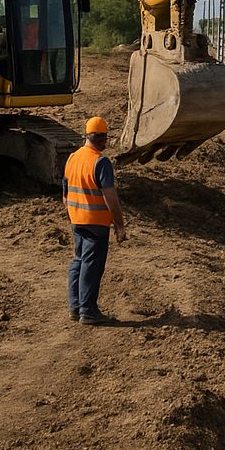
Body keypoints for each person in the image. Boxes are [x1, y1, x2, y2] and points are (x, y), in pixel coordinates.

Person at [64, 116, 127, 325]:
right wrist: (119, 225)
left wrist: (73, 213)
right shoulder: (101, 162)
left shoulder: (73, 157)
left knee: (78, 261)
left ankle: (75, 307)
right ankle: (88, 311)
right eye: (105, 138)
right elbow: (110, 197)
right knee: (91, 265)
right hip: (96, 223)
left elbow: (65, 192)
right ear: (101, 138)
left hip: (77, 219)